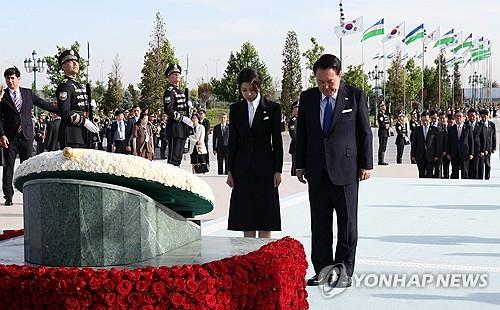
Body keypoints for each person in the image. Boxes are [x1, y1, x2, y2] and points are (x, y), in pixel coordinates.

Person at [295, 54, 373, 288]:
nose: (325, 87)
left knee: (347, 223)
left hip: (346, 171)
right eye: (320, 82)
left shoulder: (355, 96)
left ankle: (344, 270)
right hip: (317, 171)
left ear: (339, 75)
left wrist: (366, 164)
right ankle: (322, 269)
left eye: (329, 82)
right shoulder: (308, 98)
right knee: (319, 223)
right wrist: (300, 164)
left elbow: (365, 132)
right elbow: (303, 133)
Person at [226, 68, 283, 239]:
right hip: (242, 170)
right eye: (244, 90)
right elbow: (232, 141)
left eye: (252, 90)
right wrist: (230, 170)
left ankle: (264, 257)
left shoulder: (273, 108)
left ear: (259, 87)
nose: (248, 94)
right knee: (246, 218)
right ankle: (248, 259)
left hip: (265, 169)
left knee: (266, 218)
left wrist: (278, 170)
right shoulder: (236, 109)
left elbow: (277, 141)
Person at [0, 67, 58, 206]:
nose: (10, 81)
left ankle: (28, 192)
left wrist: (62, 109)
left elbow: (43, 104)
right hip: (10, 137)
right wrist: (1, 135)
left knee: (27, 165)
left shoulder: (28, 94)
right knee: (8, 166)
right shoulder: (3, 96)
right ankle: (8, 195)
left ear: (18, 79)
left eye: (12, 78)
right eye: (7, 78)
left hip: (26, 135)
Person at [55, 50, 99, 148]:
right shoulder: (65, 86)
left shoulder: (79, 85)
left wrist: (90, 107)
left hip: (83, 133)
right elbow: (65, 112)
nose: (75, 64)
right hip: (72, 133)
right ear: (63, 66)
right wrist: (84, 121)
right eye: (71, 62)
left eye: (76, 62)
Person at [163, 64, 192, 166]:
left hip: (182, 128)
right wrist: (182, 118)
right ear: (169, 77)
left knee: (179, 155)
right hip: (175, 127)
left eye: (178, 74)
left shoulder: (182, 92)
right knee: (173, 156)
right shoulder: (169, 92)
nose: (177, 75)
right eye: (174, 74)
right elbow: (168, 110)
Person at [411, 111, 440, 178]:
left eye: (426, 120)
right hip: (420, 155)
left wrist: (437, 155)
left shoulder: (434, 130)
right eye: (423, 120)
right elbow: (414, 143)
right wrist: (413, 155)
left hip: (430, 155)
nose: (425, 122)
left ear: (430, 119)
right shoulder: (417, 129)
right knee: (421, 174)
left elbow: (437, 144)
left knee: (429, 174)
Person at [447, 111, 474, 179]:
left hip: (465, 154)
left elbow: (471, 141)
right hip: (454, 153)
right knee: (454, 172)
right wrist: (448, 153)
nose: (458, 118)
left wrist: (471, 153)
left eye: (460, 116)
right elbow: (448, 142)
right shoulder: (451, 129)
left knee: (465, 172)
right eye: (457, 116)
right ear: (455, 118)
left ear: (464, 118)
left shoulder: (468, 128)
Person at [479, 109, 496, 179]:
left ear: (487, 116)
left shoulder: (492, 125)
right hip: (481, 149)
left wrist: (493, 148)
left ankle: (487, 177)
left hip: (489, 148)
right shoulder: (479, 125)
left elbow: (494, 137)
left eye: (484, 117)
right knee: (481, 165)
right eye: (482, 117)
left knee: (488, 164)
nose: (483, 118)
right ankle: (480, 177)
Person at [377, 101, 391, 165]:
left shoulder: (384, 114)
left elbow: (388, 122)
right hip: (382, 132)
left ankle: (382, 159)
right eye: (383, 105)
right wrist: (386, 126)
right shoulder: (380, 114)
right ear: (380, 107)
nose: (385, 106)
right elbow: (381, 123)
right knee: (382, 146)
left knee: (384, 146)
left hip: (386, 132)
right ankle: (380, 160)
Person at [288, 101, 299, 175]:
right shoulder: (293, 120)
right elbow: (293, 135)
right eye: (297, 107)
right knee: (295, 164)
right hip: (296, 146)